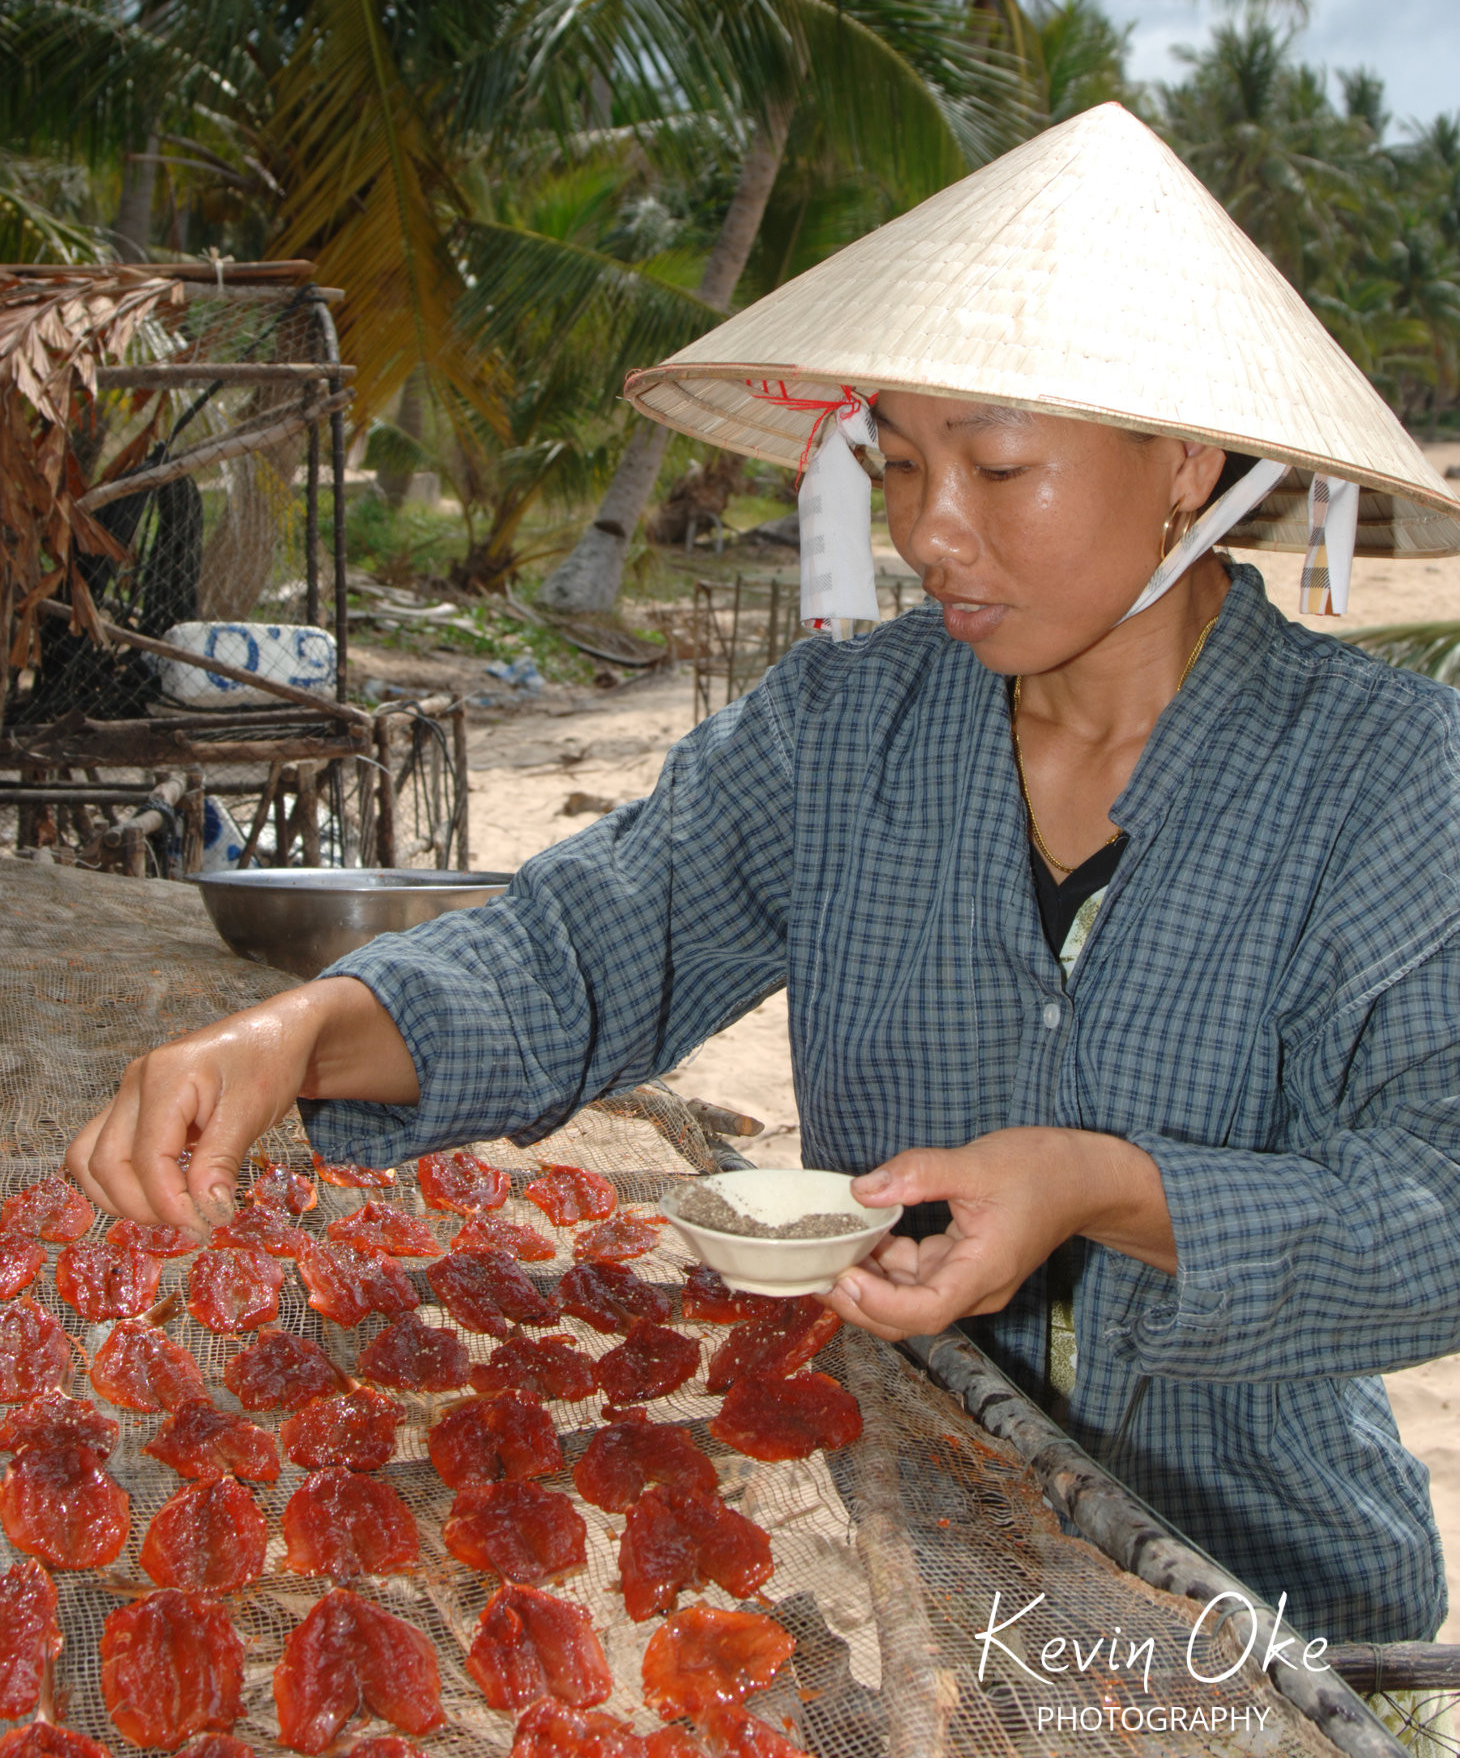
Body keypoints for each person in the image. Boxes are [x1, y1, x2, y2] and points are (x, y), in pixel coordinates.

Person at [68, 104, 1460, 1647]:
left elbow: (1434, 1215)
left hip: (1279, 1594)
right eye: (899, 461)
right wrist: (297, 1033)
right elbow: (576, 953)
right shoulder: (842, 729)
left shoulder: (1390, 778)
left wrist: (1104, 1188)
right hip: (939, 1539)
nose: (931, 533)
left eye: (999, 471)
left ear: (1186, 464)